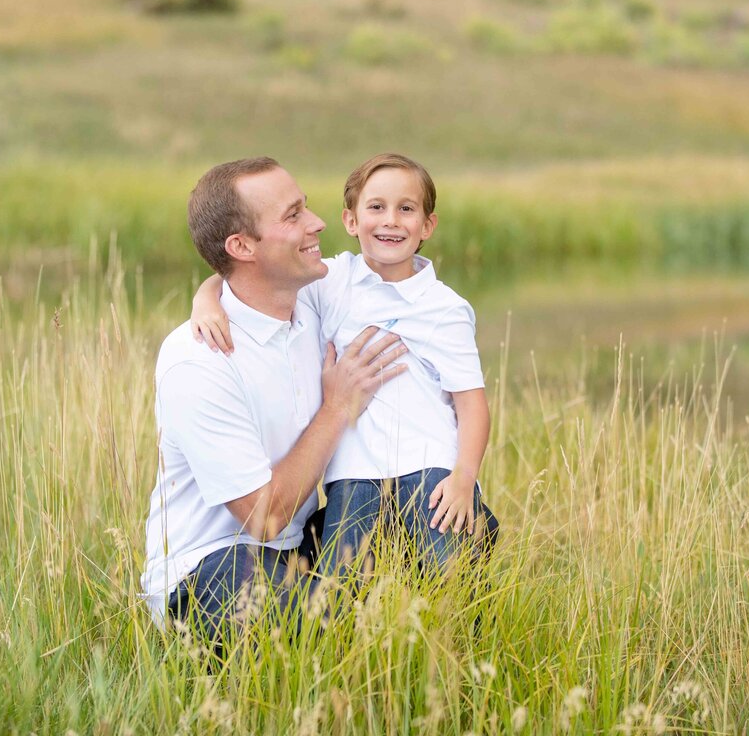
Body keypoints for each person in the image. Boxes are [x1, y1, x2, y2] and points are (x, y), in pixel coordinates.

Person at [191, 153, 497, 581]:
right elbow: (242, 274)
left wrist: (465, 477)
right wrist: (205, 300)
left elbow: (472, 404)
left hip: (428, 468)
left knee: (450, 575)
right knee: (344, 583)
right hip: (352, 476)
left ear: (427, 226)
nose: (391, 220)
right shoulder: (332, 281)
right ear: (351, 221)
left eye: (406, 209)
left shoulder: (445, 308)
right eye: (376, 207)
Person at [140, 157, 408, 640]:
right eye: (293, 216)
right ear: (241, 245)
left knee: (442, 523)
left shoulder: (311, 300)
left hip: (297, 551)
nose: (318, 223)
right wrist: (337, 407)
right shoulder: (198, 361)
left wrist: (209, 289)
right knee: (324, 622)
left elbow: (409, 287)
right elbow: (264, 518)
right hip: (208, 569)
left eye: (305, 208)